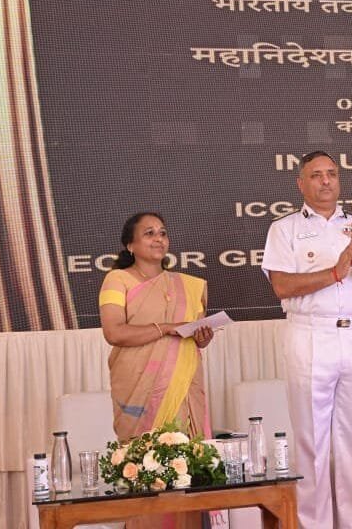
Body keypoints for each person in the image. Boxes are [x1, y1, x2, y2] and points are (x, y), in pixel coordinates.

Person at [262, 151, 352, 529]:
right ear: (300, 184)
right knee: (312, 442)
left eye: (331, 174)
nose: (325, 182)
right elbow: (282, 285)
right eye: (316, 175)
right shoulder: (284, 228)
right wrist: (334, 272)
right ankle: (313, 524)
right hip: (310, 335)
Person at [98, 212, 217, 529]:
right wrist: (167, 327)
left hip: (183, 391)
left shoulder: (187, 286)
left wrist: (201, 336)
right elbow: (115, 332)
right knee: (147, 472)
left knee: (186, 473)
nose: (158, 238)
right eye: (149, 233)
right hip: (139, 392)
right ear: (130, 244)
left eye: (162, 233)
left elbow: (190, 337)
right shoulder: (117, 280)